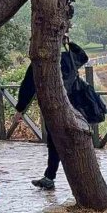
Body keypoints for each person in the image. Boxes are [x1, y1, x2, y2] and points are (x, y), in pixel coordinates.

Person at [13, 39, 90, 190]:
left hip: (53, 109)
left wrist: (20, 109)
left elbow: (27, 87)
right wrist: (69, 43)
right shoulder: (67, 58)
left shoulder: (38, 65)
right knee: (73, 141)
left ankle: (51, 177)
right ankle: (59, 177)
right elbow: (83, 56)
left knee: (54, 143)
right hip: (76, 107)